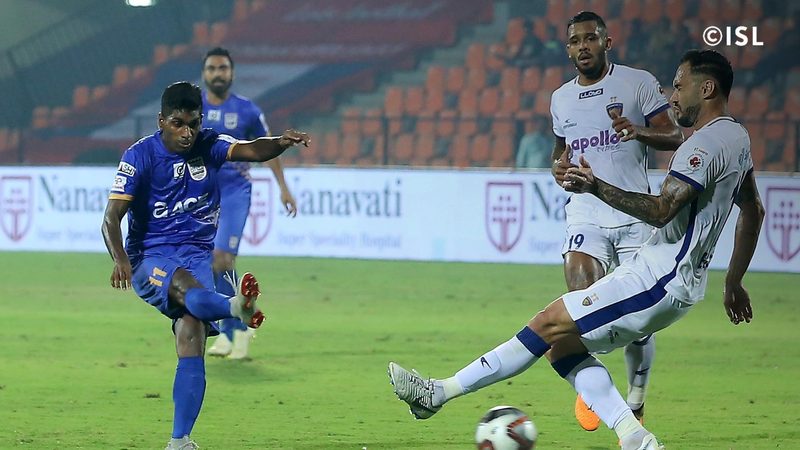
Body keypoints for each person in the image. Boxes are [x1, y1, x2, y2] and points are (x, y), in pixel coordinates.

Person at [389, 49, 762, 450]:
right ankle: (633, 435)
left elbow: (660, 210)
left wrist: (595, 186)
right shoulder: (737, 138)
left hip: (660, 278)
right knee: (560, 345)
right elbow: (753, 209)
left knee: (547, 323)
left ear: (706, 88)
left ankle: (437, 393)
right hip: (675, 280)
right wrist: (733, 281)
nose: (672, 97)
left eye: (679, 86)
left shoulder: (701, 146)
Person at [101, 81, 310, 450]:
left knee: (191, 332)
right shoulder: (139, 156)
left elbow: (250, 149)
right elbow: (111, 218)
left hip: (197, 252)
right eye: (178, 124)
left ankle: (179, 440)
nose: (187, 133)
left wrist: (280, 142)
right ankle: (235, 307)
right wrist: (120, 259)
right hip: (151, 256)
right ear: (161, 121)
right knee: (187, 288)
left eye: (193, 124)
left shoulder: (208, 144)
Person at [548, 11, 684, 431]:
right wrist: (557, 168)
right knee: (583, 306)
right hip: (586, 211)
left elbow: (675, 135)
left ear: (607, 42)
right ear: (568, 49)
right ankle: (596, 393)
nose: (583, 46)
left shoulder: (637, 83)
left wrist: (638, 132)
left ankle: (636, 397)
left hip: (633, 212)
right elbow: (560, 151)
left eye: (591, 38)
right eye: (576, 41)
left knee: (637, 324)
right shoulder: (560, 98)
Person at [199, 47, 298, 360]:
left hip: (234, 192)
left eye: (223, 68)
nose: (218, 74)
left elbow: (268, 148)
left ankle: (237, 330)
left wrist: (283, 187)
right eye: (212, 68)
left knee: (221, 258)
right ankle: (231, 332)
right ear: (204, 73)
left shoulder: (247, 110)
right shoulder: (193, 107)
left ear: (232, 73)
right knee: (212, 262)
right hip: (201, 194)